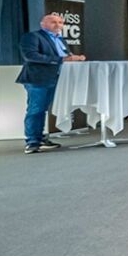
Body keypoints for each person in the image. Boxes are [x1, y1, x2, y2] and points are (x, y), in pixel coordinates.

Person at [17, 13, 86, 153]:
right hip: (38, 79)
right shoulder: (33, 37)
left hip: (57, 78)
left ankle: (40, 138)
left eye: (60, 22)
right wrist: (62, 60)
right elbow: (30, 56)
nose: (58, 25)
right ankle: (32, 142)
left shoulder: (61, 39)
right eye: (53, 22)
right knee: (35, 110)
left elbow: (64, 55)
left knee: (43, 110)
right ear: (43, 24)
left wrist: (74, 58)